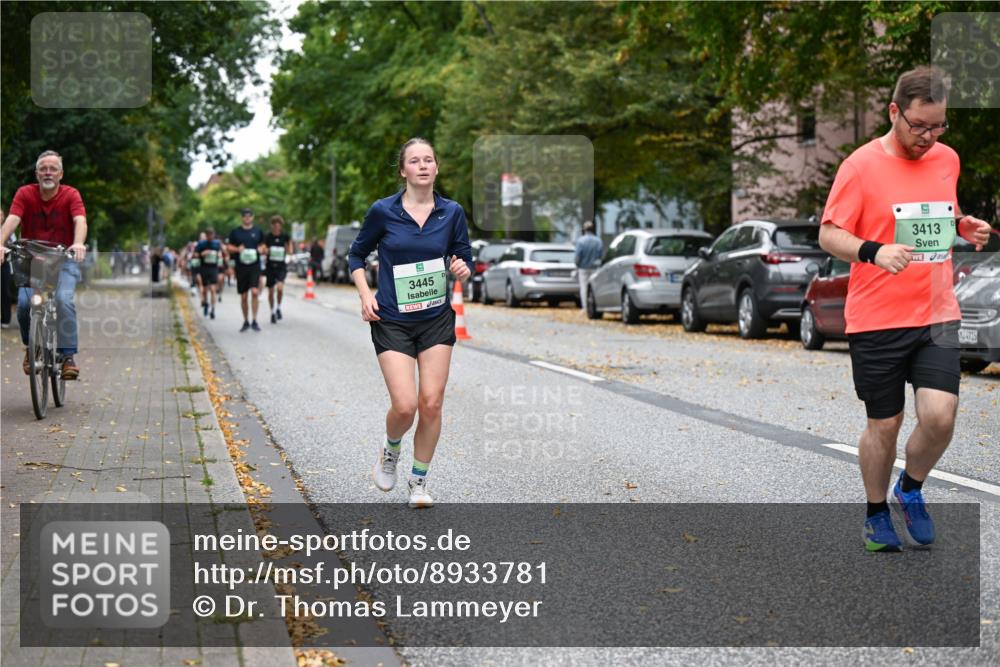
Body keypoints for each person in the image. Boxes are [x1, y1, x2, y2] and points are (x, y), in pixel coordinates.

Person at [818, 66, 992, 552]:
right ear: (895, 112)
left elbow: (939, 216)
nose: (929, 137)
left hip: (936, 312)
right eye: (920, 126)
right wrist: (874, 251)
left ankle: (909, 488)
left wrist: (964, 227)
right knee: (885, 423)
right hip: (877, 317)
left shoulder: (946, 159)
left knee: (940, 417)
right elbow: (829, 233)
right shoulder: (859, 165)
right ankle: (876, 513)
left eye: (939, 127)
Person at [348, 137, 473, 509]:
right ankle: (390, 451)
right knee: (405, 406)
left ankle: (418, 482)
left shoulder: (451, 213)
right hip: (393, 320)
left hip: (435, 318)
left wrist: (462, 268)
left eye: (429, 160)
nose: (422, 165)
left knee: (431, 403)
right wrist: (365, 294)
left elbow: (463, 257)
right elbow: (356, 255)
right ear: (403, 170)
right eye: (414, 161)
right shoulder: (383, 212)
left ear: (436, 168)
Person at [0, 150, 87, 379]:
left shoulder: (71, 194)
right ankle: (32, 348)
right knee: (24, 306)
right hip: (32, 261)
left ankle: (67, 356)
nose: (48, 172)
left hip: (63, 260)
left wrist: (78, 243)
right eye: (43, 169)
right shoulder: (25, 194)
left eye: (53, 169)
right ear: (36, 173)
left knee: (62, 299)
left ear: (61, 174)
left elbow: (80, 219)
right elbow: (13, 219)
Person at [226, 207, 265, 332]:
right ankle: (246, 321)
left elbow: (264, 246)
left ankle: (254, 320)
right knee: (243, 296)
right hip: (241, 266)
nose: (247, 217)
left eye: (249, 215)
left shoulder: (258, 231)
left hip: (254, 265)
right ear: (242, 217)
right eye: (245, 215)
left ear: (252, 217)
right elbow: (228, 247)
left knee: (254, 292)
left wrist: (261, 249)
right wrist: (237, 250)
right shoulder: (235, 232)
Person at [263, 215, 292, 323]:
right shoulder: (268, 237)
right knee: (271, 291)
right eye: (274, 224)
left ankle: (279, 307)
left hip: (281, 266)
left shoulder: (285, 236)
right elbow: (263, 248)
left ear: (280, 226)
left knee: (280, 288)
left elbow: (289, 249)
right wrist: (266, 250)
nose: (276, 227)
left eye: (278, 225)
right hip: (270, 266)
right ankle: (272, 311)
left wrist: (288, 251)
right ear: (271, 226)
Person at [195, 228, 224, 319]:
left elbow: (221, 253)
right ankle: (206, 303)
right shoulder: (201, 244)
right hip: (204, 267)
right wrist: (202, 254)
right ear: (206, 236)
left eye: (212, 235)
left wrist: (218, 254)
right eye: (209, 235)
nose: (210, 237)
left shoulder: (216, 244)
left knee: (212, 289)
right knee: (205, 289)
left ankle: (213, 309)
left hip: (213, 268)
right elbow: (195, 254)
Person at [574, 220, 602, 309]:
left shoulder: (580, 241)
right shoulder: (598, 241)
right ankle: (595, 306)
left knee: (584, 288)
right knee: (594, 287)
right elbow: (600, 255)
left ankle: (585, 307)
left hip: (583, 268)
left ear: (584, 230)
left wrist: (577, 265)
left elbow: (578, 255)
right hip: (595, 268)